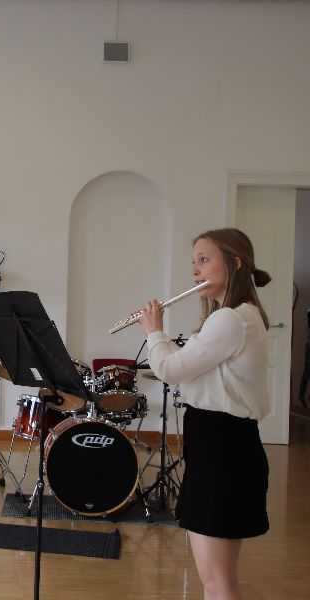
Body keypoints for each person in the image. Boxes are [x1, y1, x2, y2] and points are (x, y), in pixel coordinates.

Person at [138, 227, 271, 600]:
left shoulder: (230, 319)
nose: (195, 270)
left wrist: (154, 331)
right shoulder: (239, 316)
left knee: (218, 582)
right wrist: (162, 338)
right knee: (216, 580)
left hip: (223, 452)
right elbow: (188, 366)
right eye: (193, 261)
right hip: (223, 447)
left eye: (204, 259)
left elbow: (169, 369)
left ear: (234, 263)